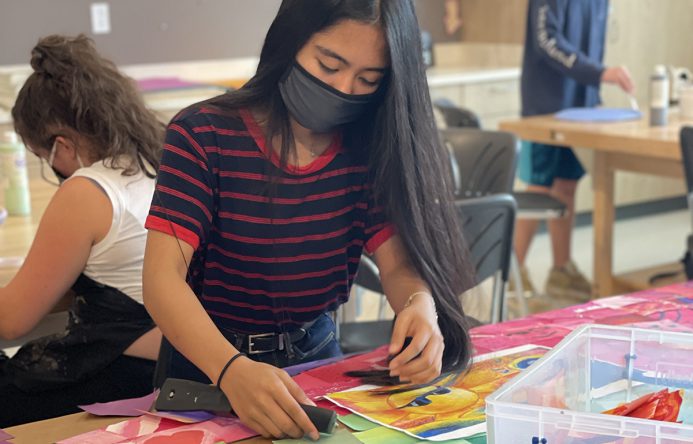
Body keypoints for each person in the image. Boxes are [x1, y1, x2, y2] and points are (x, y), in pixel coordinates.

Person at [143, 0, 474, 440]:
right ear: (291, 41)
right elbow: (162, 280)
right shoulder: (203, 134)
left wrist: (420, 306)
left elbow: (397, 265)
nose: (344, 89)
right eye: (328, 65)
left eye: (367, 80)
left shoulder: (368, 146)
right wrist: (231, 370)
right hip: (207, 362)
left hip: (317, 355)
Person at [0, 34, 164, 427]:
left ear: (63, 145)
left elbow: (12, 321)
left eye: (44, 157)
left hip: (125, 377)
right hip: (174, 365)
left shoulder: (88, 191)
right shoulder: (154, 161)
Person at [514, 0, 635, 302]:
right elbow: (547, 41)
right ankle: (511, 274)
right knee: (540, 185)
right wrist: (599, 73)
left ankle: (561, 270)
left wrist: (594, 89)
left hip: (582, 106)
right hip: (547, 105)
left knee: (567, 186)